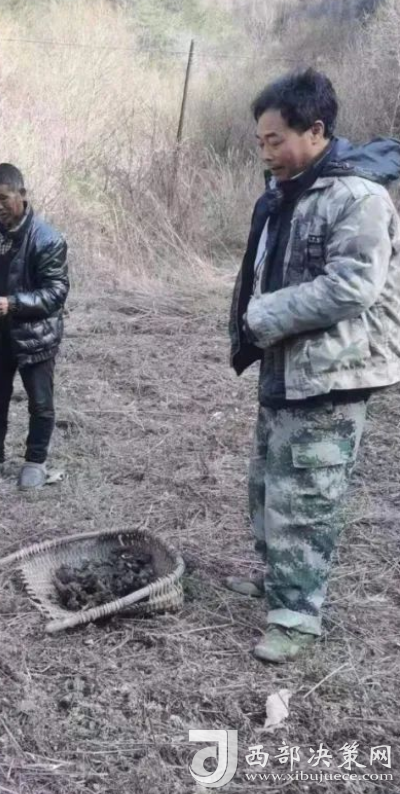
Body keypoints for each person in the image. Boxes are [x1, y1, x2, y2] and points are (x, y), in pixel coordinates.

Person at [228, 69, 400, 663]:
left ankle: (297, 617)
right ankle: (278, 580)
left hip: (332, 371)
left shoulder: (358, 198)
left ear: (316, 131)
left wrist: (264, 314)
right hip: (287, 362)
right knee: (267, 483)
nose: (266, 152)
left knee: (307, 494)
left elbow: (353, 286)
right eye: (260, 141)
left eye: (275, 140)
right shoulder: (289, 192)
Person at [0, 163, 70, 490]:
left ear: (21, 194)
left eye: (2, 198)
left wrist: (13, 303)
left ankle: (35, 461)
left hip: (35, 336)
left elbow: (56, 292)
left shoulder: (47, 239)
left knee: (40, 403)